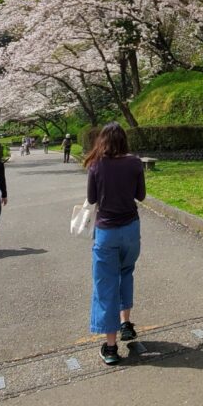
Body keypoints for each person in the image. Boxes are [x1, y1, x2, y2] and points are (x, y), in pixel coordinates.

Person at [85, 122, 146, 366]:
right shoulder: (134, 163)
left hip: (107, 232)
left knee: (105, 284)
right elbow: (140, 195)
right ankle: (125, 323)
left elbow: (91, 198)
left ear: (103, 141)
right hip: (131, 230)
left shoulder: (97, 165)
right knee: (126, 272)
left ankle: (111, 347)